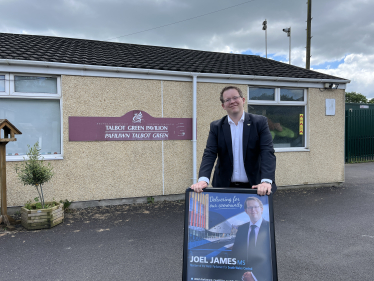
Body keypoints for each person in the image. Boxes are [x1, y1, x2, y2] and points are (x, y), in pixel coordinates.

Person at [191, 86, 276, 195]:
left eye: (235, 97)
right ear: (223, 106)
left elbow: (267, 152)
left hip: (256, 187)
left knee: (253, 212)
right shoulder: (216, 126)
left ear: (243, 100)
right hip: (224, 187)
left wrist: (266, 181)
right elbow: (209, 153)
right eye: (227, 100)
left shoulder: (259, 123)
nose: (232, 102)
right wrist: (203, 179)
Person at [232, 197, 272, 281]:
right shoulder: (241, 229)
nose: (253, 210)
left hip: (262, 276)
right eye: (250, 207)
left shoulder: (270, 227)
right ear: (246, 211)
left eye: (256, 207)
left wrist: (254, 276)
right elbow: (236, 253)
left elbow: (271, 256)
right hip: (242, 275)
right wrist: (243, 275)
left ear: (261, 209)